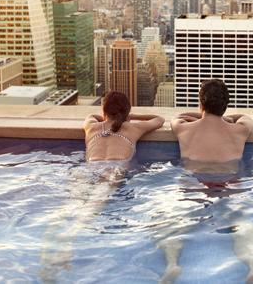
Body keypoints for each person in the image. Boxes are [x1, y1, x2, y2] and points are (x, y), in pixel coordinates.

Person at [40, 91, 164, 281]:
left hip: (87, 169)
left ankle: (47, 253)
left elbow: (89, 116)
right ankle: (68, 243)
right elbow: (159, 119)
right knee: (91, 208)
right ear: (126, 112)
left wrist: (109, 116)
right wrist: (128, 118)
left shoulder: (91, 127)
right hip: (113, 170)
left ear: (104, 110)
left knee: (68, 207)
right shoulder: (132, 129)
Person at [160, 79, 253, 284]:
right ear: (225, 105)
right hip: (230, 185)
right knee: (243, 226)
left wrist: (199, 116)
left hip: (195, 186)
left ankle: (172, 264)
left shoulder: (184, 129)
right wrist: (227, 118)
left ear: (200, 104)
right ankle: (252, 267)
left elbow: (177, 118)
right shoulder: (240, 130)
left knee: (173, 226)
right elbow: (245, 117)